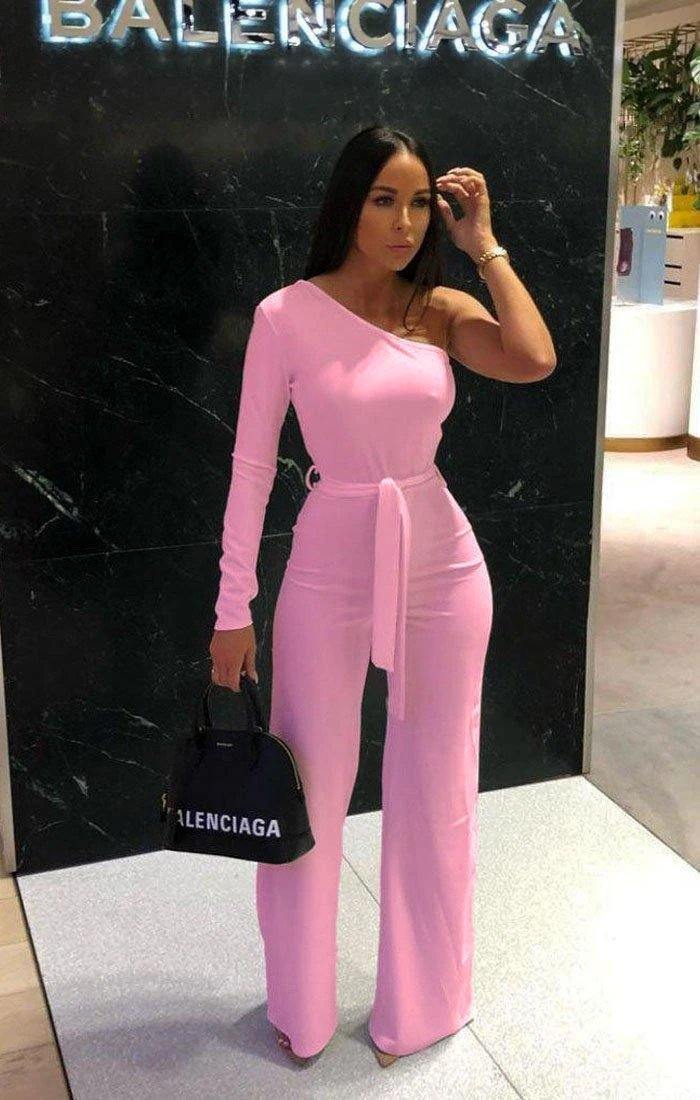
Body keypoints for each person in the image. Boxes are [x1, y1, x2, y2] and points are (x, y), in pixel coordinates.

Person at [209, 124, 557, 1067]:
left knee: (438, 786)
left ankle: (425, 1005)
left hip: (442, 564)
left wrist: (485, 244)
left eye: (417, 204)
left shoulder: (437, 308)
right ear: (348, 204)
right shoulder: (286, 315)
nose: (404, 223)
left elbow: (533, 357)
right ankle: (303, 1009)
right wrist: (232, 609)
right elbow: (251, 469)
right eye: (383, 200)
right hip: (329, 562)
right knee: (310, 790)